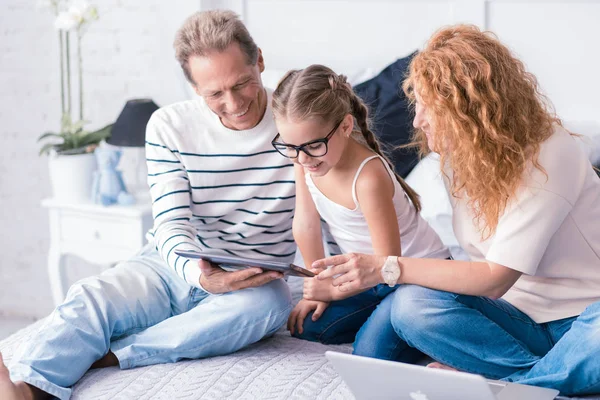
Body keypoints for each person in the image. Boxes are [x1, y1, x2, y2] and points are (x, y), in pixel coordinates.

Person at [0, 10, 298, 400]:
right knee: (92, 296)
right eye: (214, 94)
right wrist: (201, 276)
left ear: (259, 59)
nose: (234, 102)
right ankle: (27, 388)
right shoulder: (168, 125)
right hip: (169, 267)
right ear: (193, 87)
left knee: (273, 305)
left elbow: (335, 210)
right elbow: (172, 225)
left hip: (253, 281)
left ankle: (118, 354)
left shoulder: (298, 122)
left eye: (242, 83)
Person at [313, 25, 600, 396]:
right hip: (512, 323)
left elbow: (495, 277)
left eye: (431, 108)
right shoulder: (457, 158)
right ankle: (546, 377)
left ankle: (520, 385)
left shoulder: (552, 154)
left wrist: (388, 267)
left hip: (582, 318)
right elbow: (480, 282)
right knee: (410, 305)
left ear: (471, 110)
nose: (418, 120)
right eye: (417, 104)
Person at [270, 65, 450, 360]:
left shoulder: (368, 178)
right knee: (307, 328)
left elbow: (388, 266)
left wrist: (334, 292)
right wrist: (318, 286)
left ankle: (421, 326)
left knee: (370, 352)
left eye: (314, 145)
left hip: (407, 276)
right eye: (290, 147)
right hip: (368, 278)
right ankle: (396, 327)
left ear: (344, 126)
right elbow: (305, 225)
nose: (302, 158)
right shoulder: (304, 158)